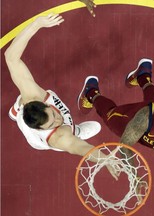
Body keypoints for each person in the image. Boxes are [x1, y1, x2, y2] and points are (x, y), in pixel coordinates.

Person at [4, 14, 118, 180]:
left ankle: (17, 108)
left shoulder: (34, 95)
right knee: (75, 133)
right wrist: (105, 159)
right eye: (52, 123)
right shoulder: (58, 138)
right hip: (40, 141)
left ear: (45, 105)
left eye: (54, 115)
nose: (58, 120)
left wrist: (37, 24)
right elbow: (79, 147)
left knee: (24, 95)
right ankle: (75, 130)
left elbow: (10, 57)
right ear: (40, 129)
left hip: (27, 104)